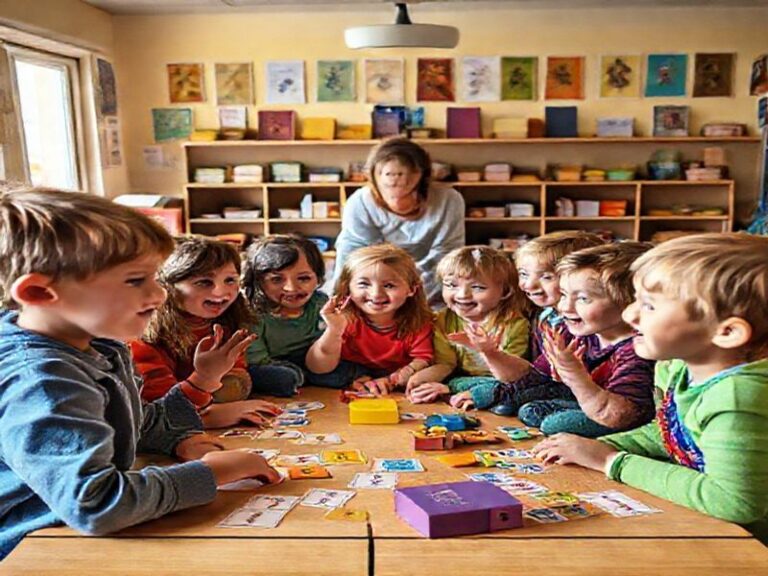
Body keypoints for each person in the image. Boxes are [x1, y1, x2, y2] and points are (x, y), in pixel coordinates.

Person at [0, 188, 279, 560]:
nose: (159, 295)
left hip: (74, 532)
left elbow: (138, 422)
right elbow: (96, 504)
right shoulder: (42, 380)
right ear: (39, 292)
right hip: (30, 550)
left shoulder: (98, 343)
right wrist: (211, 474)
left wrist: (196, 395)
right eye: (135, 280)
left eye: (155, 277)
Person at [533, 234, 768, 542]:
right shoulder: (676, 366)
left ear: (726, 332)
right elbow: (670, 433)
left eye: (648, 305)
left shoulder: (738, 396)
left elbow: (734, 502)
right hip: (702, 524)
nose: (630, 314)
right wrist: (596, 447)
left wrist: (609, 461)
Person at [454, 242, 656, 439]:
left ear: (631, 303)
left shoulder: (638, 349)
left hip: (614, 410)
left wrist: (574, 374)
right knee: (521, 404)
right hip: (577, 397)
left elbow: (621, 416)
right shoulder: (573, 329)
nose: (565, 307)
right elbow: (532, 376)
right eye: (564, 295)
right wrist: (491, 352)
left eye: (583, 299)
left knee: (554, 423)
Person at [130, 236, 282, 428]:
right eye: (204, 282)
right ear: (166, 285)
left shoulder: (226, 322)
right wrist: (211, 413)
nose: (220, 292)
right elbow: (159, 410)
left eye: (230, 280)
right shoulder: (141, 337)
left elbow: (236, 379)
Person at [333, 137, 465, 306]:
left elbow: (447, 255)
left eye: (404, 172)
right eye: (388, 173)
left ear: (422, 175)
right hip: (376, 286)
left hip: (430, 288)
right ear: (374, 175)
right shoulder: (360, 202)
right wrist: (340, 301)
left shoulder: (449, 200)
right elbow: (351, 257)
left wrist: (410, 298)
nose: (395, 178)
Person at [405, 246, 530, 405]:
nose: (462, 295)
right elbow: (445, 364)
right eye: (451, 285)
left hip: (503, 380)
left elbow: (513, 377)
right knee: (456, 382)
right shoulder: (444, 319)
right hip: (463, 380)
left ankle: (473, 395)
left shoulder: (514, 323)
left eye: (478, 287)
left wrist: (488, 352)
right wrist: (418, 380)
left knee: (507, 390)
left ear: (505, 292)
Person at [306, 243, 433, 394]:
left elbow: (423, 360)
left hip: (396, 374)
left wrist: (390, 380)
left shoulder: (419, 323)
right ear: (348, 288)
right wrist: (334, 330)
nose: (376, 294)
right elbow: (317, 368)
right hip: (349, 371)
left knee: (425, 377)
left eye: (389, 285)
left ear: (411, 289)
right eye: (364, 284)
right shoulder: (343, 319)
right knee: (318, 375)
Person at [242, 234, 329, 395]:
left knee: (347, 369)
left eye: (304, 278)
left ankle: (303, 376)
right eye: (276, 280)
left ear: (317, 278)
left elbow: (324, 348)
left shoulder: (320, 303)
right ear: (258, 282)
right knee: (284, 379)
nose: (291, 288)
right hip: (266, 364)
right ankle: (301, 377)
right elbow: (255, 359)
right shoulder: (253, 311)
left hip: (311, 361)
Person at [515, 231, 604, 359]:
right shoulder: (543, 313)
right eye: (524, 274)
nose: (528, 285)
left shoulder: (582, 324)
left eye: (546, 277)